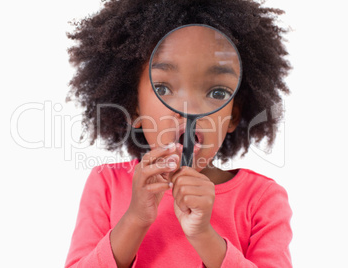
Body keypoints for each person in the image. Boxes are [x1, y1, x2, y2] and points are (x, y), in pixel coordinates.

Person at [65, 0, 292, 267]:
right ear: (134, 108)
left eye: (216, 92)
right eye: (163, 88)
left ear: (233, 115)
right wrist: (135, 219)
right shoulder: (106, 185)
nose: (187, 109)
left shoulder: (262, 199)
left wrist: (204, 235)